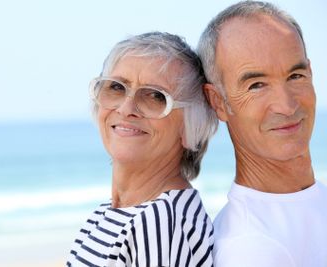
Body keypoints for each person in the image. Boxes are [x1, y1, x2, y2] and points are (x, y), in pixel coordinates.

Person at [66, 32, 218, 266]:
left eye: (156, 96)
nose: (127, 108)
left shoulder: (160, 223)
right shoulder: (111, 211)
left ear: (190, 127)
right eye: (116, 87)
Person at [197, 1, 327, 266]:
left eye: (296, 76)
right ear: (218, 101)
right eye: (257, 85)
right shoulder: (249, 249)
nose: (287, 105)